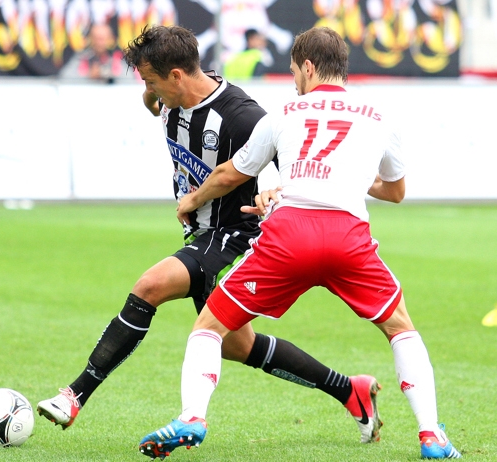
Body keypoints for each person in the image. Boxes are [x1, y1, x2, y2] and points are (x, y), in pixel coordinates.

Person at [37, 24, 382, 447]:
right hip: (203, 234)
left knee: (150, 286)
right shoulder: (168, 99)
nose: (150, 91)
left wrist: (271, 190)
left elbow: (281, 156)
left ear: (177, 75)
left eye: (152, 81)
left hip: (238, 234)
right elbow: (154, 104)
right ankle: (349, 390)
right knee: (238, 346)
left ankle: (75, 395)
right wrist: (150, 92)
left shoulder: (241, 115)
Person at [139, 27, 461, 460]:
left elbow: (232, 174)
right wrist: (348, 177)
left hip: (288, 235)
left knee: (209, 327)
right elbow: (395, 191)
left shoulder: (284, 111)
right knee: (400, 327)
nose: (294, 82)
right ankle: (432, 436)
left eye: (294, 72)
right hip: (348, 238)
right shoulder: (380, 116)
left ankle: (193, 417)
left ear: (308, 67)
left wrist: (192, 199)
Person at [58, 23, 134, 83]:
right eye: (96, 38)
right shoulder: (82, 58)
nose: (99, 43)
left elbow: (130, 79)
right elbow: (64, 77)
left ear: (110, 39)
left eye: (102, 39)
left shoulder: (116, 58)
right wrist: (89, 75)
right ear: (90, 39)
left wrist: (110, 76)